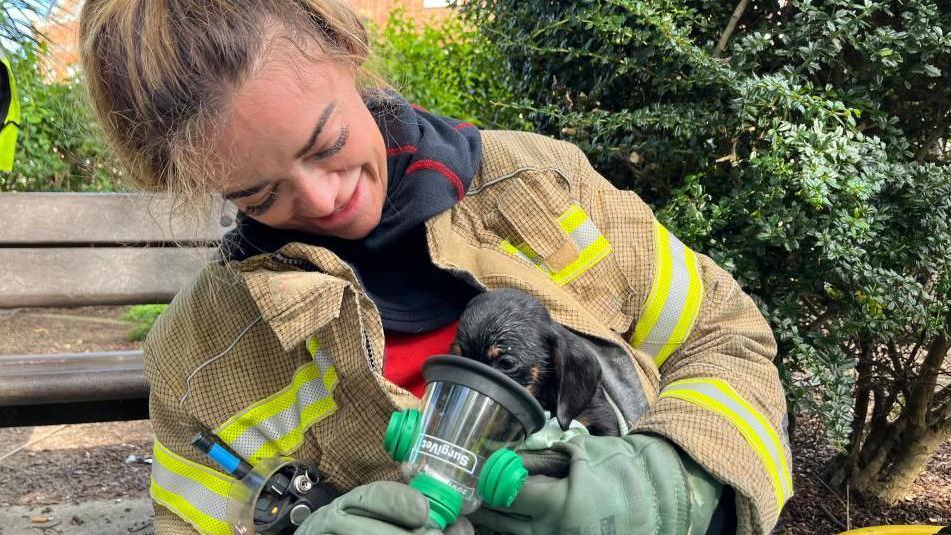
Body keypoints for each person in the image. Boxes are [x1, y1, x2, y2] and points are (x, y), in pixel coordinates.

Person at [78, 1, 792, 534]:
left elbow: (725, 337)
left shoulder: (545, 185)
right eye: (258, 193)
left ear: (347, 46)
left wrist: (678, 482)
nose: (327, 199)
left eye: (326, 142)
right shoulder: (197, 359)